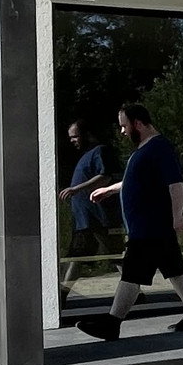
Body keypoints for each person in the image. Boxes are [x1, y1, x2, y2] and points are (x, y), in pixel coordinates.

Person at [78, 103, 183, 340]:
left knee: (132, 273)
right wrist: (109, 190)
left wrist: (177, 216)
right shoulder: (144, 150)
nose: (122, 131)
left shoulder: (159, 147)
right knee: (176, 270)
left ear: (137, 123)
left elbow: (176, 184)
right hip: (151, 228)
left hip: (150, 228)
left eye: (124, 126)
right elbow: (135, 181)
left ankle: (112, 324)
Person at [56, 119, 111, 288]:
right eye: (70, 138)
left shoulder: (99, 152)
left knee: (79, 256)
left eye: (75, 136)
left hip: (94, 217)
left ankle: (62, 294)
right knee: (81, 255)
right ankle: (133, 292)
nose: (72, 141)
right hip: (83, 219)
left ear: (87, 134)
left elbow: (105, 176)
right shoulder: (86, 156)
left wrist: (76, 189)